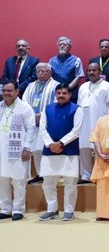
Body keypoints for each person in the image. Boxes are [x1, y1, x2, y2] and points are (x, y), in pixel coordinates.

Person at [38, 84, 83, 221]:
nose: (61, 95)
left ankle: (69, 210)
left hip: (69, 150)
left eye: (64, 93)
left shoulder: (77, 109)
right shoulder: (48, 108)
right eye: (59, 93)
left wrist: (61, 143)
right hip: (49, 150)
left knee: (70, 182)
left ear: (69, 94)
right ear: (55, 94)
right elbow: (42, 129)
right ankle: (52, 210)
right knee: (48, 182)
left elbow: (76, 131)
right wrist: (51, 144)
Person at [0, 81, 36, 221]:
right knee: (2, 180)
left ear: (17, 92)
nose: (6, 93)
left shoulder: (25, 107)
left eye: (9, 91)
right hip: (1, 149)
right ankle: (5, 208)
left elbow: (31, 129)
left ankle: (18, 210)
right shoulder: (0, 106)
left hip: (18, 150)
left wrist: (27, 148)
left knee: (18, 181)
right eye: (4, 91)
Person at [77, 62, 109, 183]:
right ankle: (86, 175)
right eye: (89, 70)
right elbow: (78, 105)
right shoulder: (83, 86)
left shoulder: (107, 86)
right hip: (83, 122)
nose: (91, 73)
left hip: (100, 122)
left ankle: (100, 174)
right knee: (84, 148)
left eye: (94, 70)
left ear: (100, 72)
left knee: (100, 149)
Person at [22, 63, 59, 185]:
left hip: (47, 122)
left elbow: (55, 103)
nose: (40, 73)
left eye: (43, 71)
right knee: (35, 150)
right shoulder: (31, 85)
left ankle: (50, 173)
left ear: (50, 72)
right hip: (31, 122)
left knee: (42, 148)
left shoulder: (55, 85)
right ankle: (40, 174)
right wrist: (31, 116)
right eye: (38, 71)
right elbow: (25, 101)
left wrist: (41, 115)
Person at [49, 36, 84, 103]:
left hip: (70, 94)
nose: (62, 46)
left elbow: (77, 77)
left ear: (70, 47)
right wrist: (59, 91)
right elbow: (49, 76)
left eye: (64, 44)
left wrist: (66, 89)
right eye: (60, 44)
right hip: (55, 94)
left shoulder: (76, 60)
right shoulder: (52, 60)